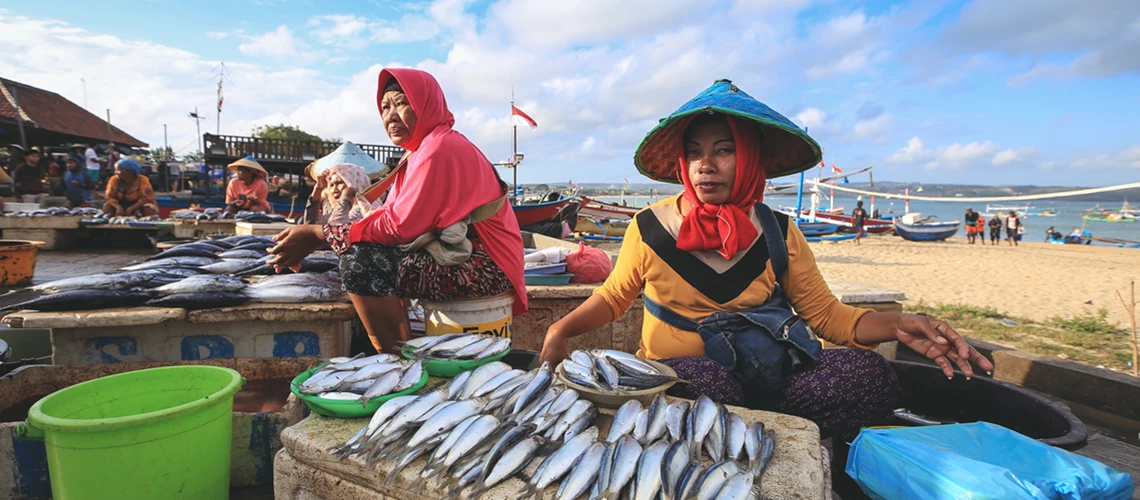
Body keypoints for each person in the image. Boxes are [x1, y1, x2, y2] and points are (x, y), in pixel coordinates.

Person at [538, 80, 992, 443]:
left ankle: (777, 440)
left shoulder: (779, 230)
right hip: (689, 382)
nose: (705, 165)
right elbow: (615, 297)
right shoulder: (649, 227)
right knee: (700, 387)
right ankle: (744, 440)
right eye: (694, 152)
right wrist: (560, 330)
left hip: (774, 378)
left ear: (750, 157)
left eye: (724, 150)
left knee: (868, 374)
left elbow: (829, 317)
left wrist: (899, 325)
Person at [267, 68, 528, 353]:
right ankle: (404, 348)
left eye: (402, 103)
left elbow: (398, 228)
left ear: (427, 104)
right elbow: (390, 214)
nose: (390, 115)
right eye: (384, 107)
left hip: (486, 267)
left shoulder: (439, 148)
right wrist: (330, 235)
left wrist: (319, 234)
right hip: (468, 258)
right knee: (362, 250)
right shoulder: (420, 150)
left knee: (361, 264)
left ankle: (397, 360)